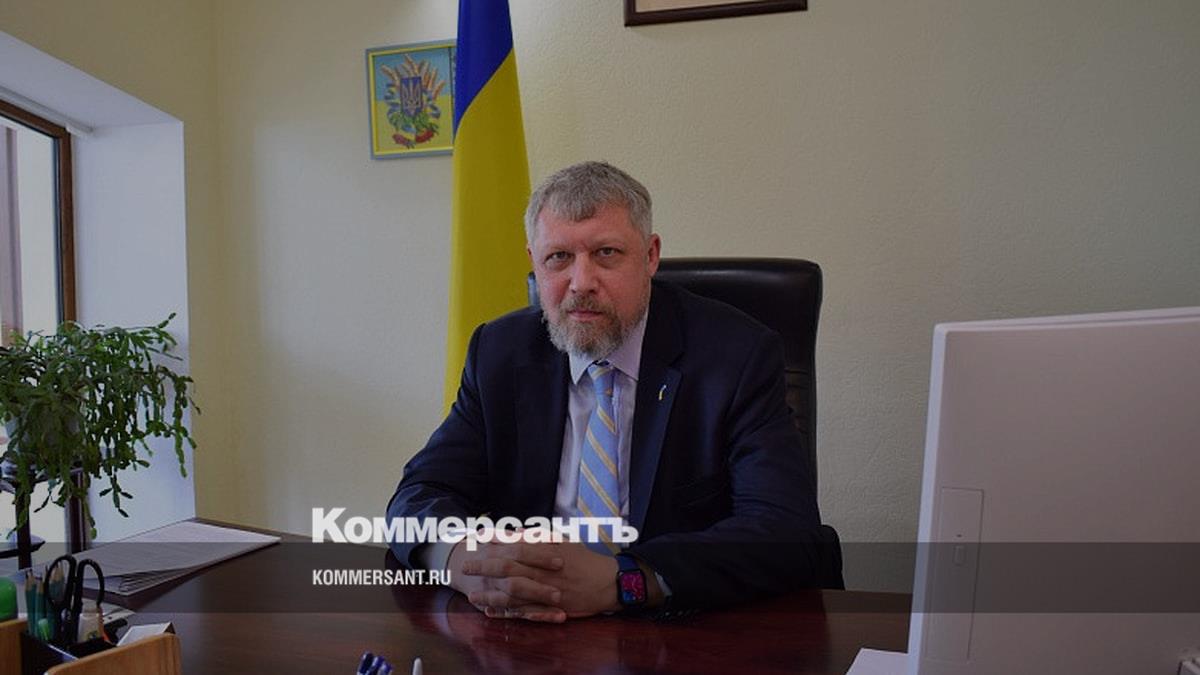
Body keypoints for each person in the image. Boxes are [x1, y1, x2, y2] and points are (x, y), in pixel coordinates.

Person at [387, 161, 830, 622]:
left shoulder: (736, 355)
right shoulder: (499, 353)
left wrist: (625, 581)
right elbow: (419, 494)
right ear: (534, 261)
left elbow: (785, 531)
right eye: (559, 257)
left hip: (682, 630)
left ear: (650, 256)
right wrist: (462, 560)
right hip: (529, 628)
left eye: (606, 253)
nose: (581, 283)